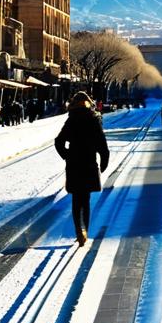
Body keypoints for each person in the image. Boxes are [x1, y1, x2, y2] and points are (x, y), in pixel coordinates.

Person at [54, 92, 109, 247]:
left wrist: (67, 155)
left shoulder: (71, 120)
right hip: (89, 162)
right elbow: (102, 144)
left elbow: (58, 141)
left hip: (74, 163)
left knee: (76, 199)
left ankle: (79, 230)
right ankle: (85, 231)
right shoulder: (93, 119)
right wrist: (104, 161)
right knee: (86, 199)